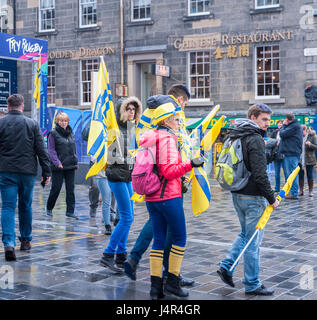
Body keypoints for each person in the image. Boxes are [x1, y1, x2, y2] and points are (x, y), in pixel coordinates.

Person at [123, 84, 195, 287]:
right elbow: (174, 155)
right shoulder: (170, 116)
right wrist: (189, 164)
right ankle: (171, 275)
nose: (182, 114)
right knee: (174, 232)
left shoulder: (149, 112)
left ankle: (137, 259)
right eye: (185, 105)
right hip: (168, 183)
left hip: (149, 179)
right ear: (180, 101)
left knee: (157, 228)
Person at [140, 102, 204, 299]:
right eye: (176, 119)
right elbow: (168, 172)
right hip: (168, 196)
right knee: (179, 238)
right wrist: (190, 165)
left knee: (158, 240)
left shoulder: (150, 137)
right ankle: (173, 283)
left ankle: (155, 288)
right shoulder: (167, 139)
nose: (178, 123)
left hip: (151, 196)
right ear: (166, 120)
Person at [217, 104, 279, 296]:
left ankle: (226, 266)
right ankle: (252, 283)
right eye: (264, 119)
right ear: (253, 117)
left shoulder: (235, 134)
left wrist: (267, 158)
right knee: (254, 242)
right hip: (254, 198)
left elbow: (246, 164)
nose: (267, 124)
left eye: (269, 120)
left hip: (237, 193)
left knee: (245, 235)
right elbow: (260, 176)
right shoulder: (255, 138)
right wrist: (272, 198)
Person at [0, 94, 51, 261]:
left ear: (8, 107)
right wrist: (46, 172)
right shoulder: (32, 124)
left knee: (8, 207)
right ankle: (26, 240)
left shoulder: (1, 123)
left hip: (6, 171)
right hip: (27, 172)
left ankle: (8, 243)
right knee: (25, 205)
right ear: (22, 107)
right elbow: (41, 150)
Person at [99, 96, 142, 271]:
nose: (131, 112)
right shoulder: (114, 129)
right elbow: (111, 157)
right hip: (116, 175)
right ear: (121, 111)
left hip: (128, 176)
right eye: (128, 109)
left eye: (134, 109)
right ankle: (108, 254)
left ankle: (121, 254)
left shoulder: (133, 128)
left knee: (128, 216)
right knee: (127, 217)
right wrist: (123, 155)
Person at [46, 112, 78, 218]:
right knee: (56, 188)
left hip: (70, 165)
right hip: (58, 166)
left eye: (65, 121)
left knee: (71, 189)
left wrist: (75, 162)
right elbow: (51, 150)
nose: (63, 123)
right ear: (57, 121)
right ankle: (49, 208)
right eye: (61, 121)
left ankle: (70, 211)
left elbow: (73, 149)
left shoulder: (71, 132)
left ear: (68, 121)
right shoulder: (53, 133)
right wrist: (57, 162)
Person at [279, 113, 303, 200]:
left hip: (291, 153)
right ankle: (291, 192)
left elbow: (282, 134)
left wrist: (284, 125)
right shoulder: (294, 125)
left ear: (287, 119)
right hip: (291, 153)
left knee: (292, 174)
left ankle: (293, 193)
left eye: (285, 120)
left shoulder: (294, 126)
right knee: (290, 174)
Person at [299, 126, 317, 197]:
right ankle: (301, 190)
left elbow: (316, 146)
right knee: (300, 175)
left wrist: (310, 144)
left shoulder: (313, 136)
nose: (301, 133)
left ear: (306, 130)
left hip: (310, 159)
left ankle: (310, 191)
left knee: (310, 175)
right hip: (300, 159)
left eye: (302, 131)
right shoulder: (299, 137)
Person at [270, 119, 284, 192]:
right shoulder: (275, 132)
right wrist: (275, 143)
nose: (280, 125)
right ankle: (277, 188)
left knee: (287, 173)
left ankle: (286, 189)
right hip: (276, 154)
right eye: (279, 123)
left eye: (281, 123)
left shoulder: (286, 132)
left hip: (284, 154)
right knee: (277, 173)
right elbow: (270, 141)